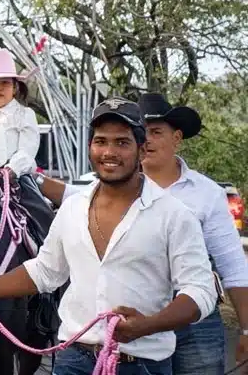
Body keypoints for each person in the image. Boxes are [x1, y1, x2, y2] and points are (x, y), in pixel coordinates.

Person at [0, 98, 218, 375]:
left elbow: (201, 290)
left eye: (122, 143)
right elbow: (45, 271)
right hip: (72, 360)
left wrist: (148, 325)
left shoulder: (173, 215)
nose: (109, 152)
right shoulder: (73, 208)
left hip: (141, 365)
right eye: (101, 141)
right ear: (90, 147)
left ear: (141, 149)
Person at [36, 93, 248, 375]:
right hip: (126, 322)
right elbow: (72, 199)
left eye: (155, 132)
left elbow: (233, 266)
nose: (146, 141)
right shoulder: (104, 186)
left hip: (194, 317)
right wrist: (29, 176)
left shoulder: (206, 193)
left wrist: (246, 328)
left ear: (177, 138)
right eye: (141, 132)